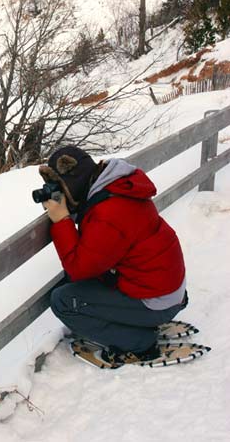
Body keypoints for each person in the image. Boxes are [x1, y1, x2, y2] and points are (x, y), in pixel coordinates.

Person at [40, 145, 187, 366]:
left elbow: (79, 269)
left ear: (72, 185)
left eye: (60, 188)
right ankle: (135, 321)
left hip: (156, 301)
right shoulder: (116, 188)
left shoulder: (109, 212)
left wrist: (62, 220)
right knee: (79, 286)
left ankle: (139, 342)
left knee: (62, 301)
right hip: (165, 289)